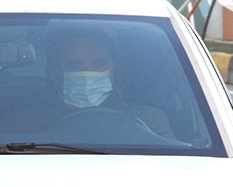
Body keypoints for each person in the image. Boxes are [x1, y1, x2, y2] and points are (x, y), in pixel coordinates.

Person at [4, 29, 176, 140]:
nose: (89, 73)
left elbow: (173, 162)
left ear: (112, 71)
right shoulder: (24, 122)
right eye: (76, 66)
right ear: (56, 75)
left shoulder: (148, 120)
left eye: (99, 65)